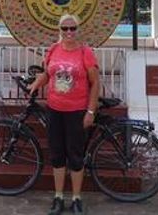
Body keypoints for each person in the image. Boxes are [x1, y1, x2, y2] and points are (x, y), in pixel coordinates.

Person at [28, 14, 100, 215]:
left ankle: (76, 199)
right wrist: (36, 84)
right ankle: (58, 197)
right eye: (65, 28)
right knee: (57, 156)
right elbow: (47, 73)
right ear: (59, 30)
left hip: (77, 112)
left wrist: (91, 111)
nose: (69, 32)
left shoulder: (85, 53)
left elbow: (95, 83)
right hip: (55, 110)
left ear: (78, 29)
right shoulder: (53, 50)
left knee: (76, 157)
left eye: (72, 28)